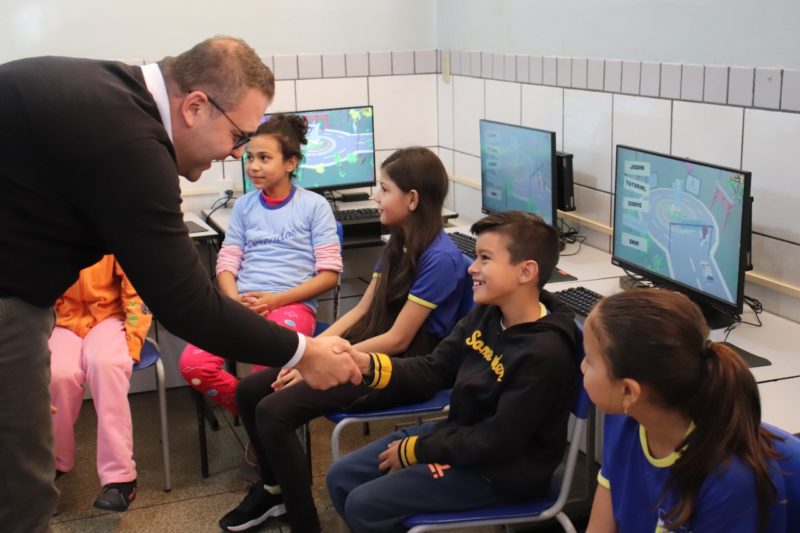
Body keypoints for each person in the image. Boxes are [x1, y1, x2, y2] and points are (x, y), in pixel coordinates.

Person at [0, 37, 358, 532]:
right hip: (8, 301)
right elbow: (188, 307)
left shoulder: (111, 93)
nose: (237, 154)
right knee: (21, 490)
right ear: (194, 106)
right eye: (238, 136)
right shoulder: (131, 142)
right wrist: (306, 353)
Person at [220, 147, 474, 532]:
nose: (376, 196)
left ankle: (304, 522)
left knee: (274, 413)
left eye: (384, 189)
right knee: (250, 391)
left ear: (412, 199)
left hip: (406, 368)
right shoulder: (399, 242)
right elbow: (360, 313)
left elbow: (398, 339)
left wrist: (324, 361)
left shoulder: (440, 258)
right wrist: (312, 353)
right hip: (370, 353)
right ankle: (274, 490)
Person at [325, 210, 580, 533]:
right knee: (341, 477)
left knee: (366, 505)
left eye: (485, 258)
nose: (472, 267)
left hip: (500, 472)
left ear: (526, 271)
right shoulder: (488, 313)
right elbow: (435, 368)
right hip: (461, 438)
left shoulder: (545, 353)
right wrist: (369, 366)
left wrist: (416, 450)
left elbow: (497, 441)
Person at [581, 289, 787, 532]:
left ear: (628, 392)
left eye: (589, 360)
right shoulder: (622, 421)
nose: (582, 367)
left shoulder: (727, 481)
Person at [180, 113, 342, 415]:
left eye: (264, 158)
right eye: (250, 157)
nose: (253, 166)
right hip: (243, 304)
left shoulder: (314, 206)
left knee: (266, 367)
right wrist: (232, 300)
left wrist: (276, 299)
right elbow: (227, 261)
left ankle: (265, 427)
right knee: (194, 364)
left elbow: (329, 275)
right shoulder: (244, 207)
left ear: (290, 163)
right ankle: (252, 413)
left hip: (291, 306)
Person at [49, 255, 151, 512]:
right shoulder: (48, 224)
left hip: (109, 317)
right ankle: (55, 460)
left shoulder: (112, 223)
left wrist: (133, 340)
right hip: (60, 321)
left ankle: (121, 477)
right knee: (57, 375)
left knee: (106, 366)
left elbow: (138, 287)